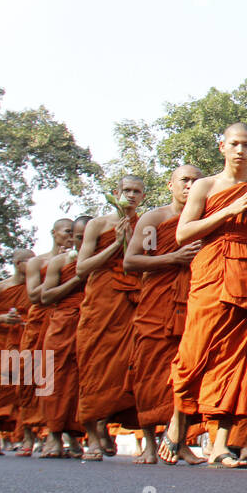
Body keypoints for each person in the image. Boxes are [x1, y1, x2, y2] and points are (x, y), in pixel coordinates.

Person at [171, 123, 247, 469]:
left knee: (235, 358)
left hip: (246, 272)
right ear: (222, 146)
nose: (241, 151)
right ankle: (177, 428)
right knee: (196, 351)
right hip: (210, 269)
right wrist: (227, 210)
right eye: (235, 144)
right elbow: (183, 232)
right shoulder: (206, 186)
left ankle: (220, 444)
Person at [123, 165, 205, 465]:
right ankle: (147, 443)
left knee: (187, 370)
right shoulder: (155, 219)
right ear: (171, 185)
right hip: (157, 304)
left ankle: (180, 440)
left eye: (196, 181)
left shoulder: (205, 217)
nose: (190, 185)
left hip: (194, 299)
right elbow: (131, 261)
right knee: (149, 371)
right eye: (184, 180)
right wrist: (173, 258)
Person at [74, 175, 145, 459]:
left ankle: (106, 425)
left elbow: (143, 261)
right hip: (101, 303)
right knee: (94, 367)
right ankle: (92, 437)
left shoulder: (145, 224)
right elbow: (82, 268)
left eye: (136, 192)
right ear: (116, 192)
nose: (130, 195)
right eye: (126, 190)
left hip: (131, 303)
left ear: (142, 196)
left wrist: (129, 240)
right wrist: (115, 244)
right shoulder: (97, 225)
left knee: (125, 368)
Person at [16, 221, 73, 454]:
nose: (71, 237)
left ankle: (63, 434)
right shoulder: (37, 262)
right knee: (31, 374)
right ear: (54, 233)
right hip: (39, 320)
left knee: (63, 377)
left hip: (65, 317)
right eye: (67, 232)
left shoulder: (75, 259)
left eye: (75, 234)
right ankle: (28, 435)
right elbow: (33, 295)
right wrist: (56, 274)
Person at [39, 217, 90, 459]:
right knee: (57, 378)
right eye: (77, 236)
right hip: (62, 323)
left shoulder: (104, 261)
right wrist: (77, 278)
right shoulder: (60, 262)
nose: (78, 241)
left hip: (92, 321)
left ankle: (76, 436)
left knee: (84, 378)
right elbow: (46, 297)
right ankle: (53, 436)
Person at [0, 249, 35, 455]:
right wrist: (2, 319)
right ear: (19, 264)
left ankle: (27, 436)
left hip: (26, 341)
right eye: (31, 261)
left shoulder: (36, 287)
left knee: (26, 388)